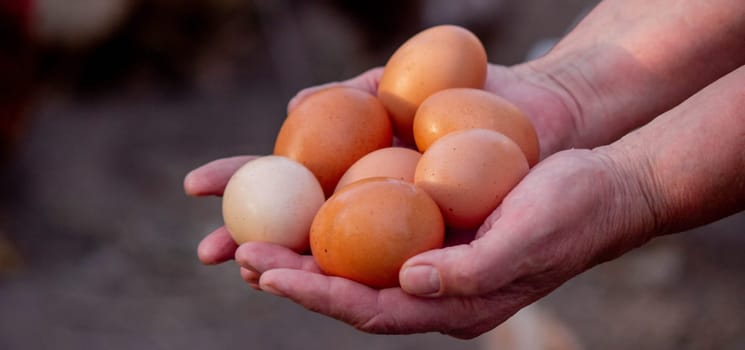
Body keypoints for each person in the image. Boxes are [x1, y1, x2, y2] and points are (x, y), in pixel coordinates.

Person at [183, 0, 745, 339]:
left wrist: (638, 186)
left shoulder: (426, 163)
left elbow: (426, 167)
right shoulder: (404, 163)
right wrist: (574, 87)